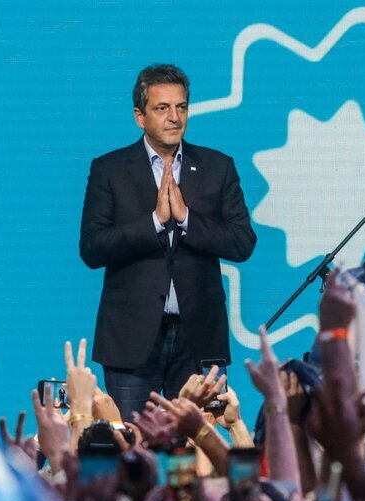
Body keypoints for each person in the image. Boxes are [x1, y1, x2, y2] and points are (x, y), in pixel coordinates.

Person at [79, 63, 257, 419]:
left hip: (198, 342)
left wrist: (187, 218)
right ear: (139, 116)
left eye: (181, 107)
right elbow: (92, 248)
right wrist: (155, 222)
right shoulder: (109, 169)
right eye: (162, 108)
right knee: (131, 445)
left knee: (199, 446)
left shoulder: (218, 166)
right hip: (130, 341)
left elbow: (242, 242)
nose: (175, 117)